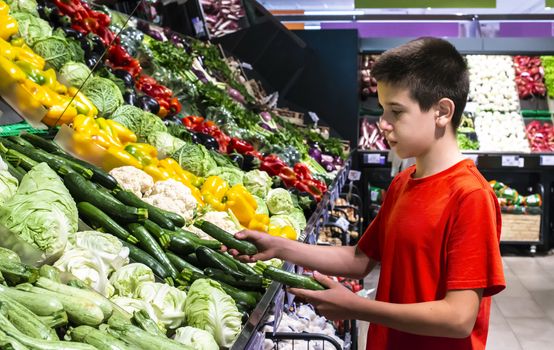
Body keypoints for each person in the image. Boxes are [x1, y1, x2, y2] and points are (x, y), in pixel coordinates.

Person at [225, 37, 506, 350]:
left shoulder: (471, 196)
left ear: (442, 111)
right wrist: (278, 247)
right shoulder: (403, 183)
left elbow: (458, 318)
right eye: (382, 110)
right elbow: (361, 259)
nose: (383, 124)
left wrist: (356, 306)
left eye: (396, 112)